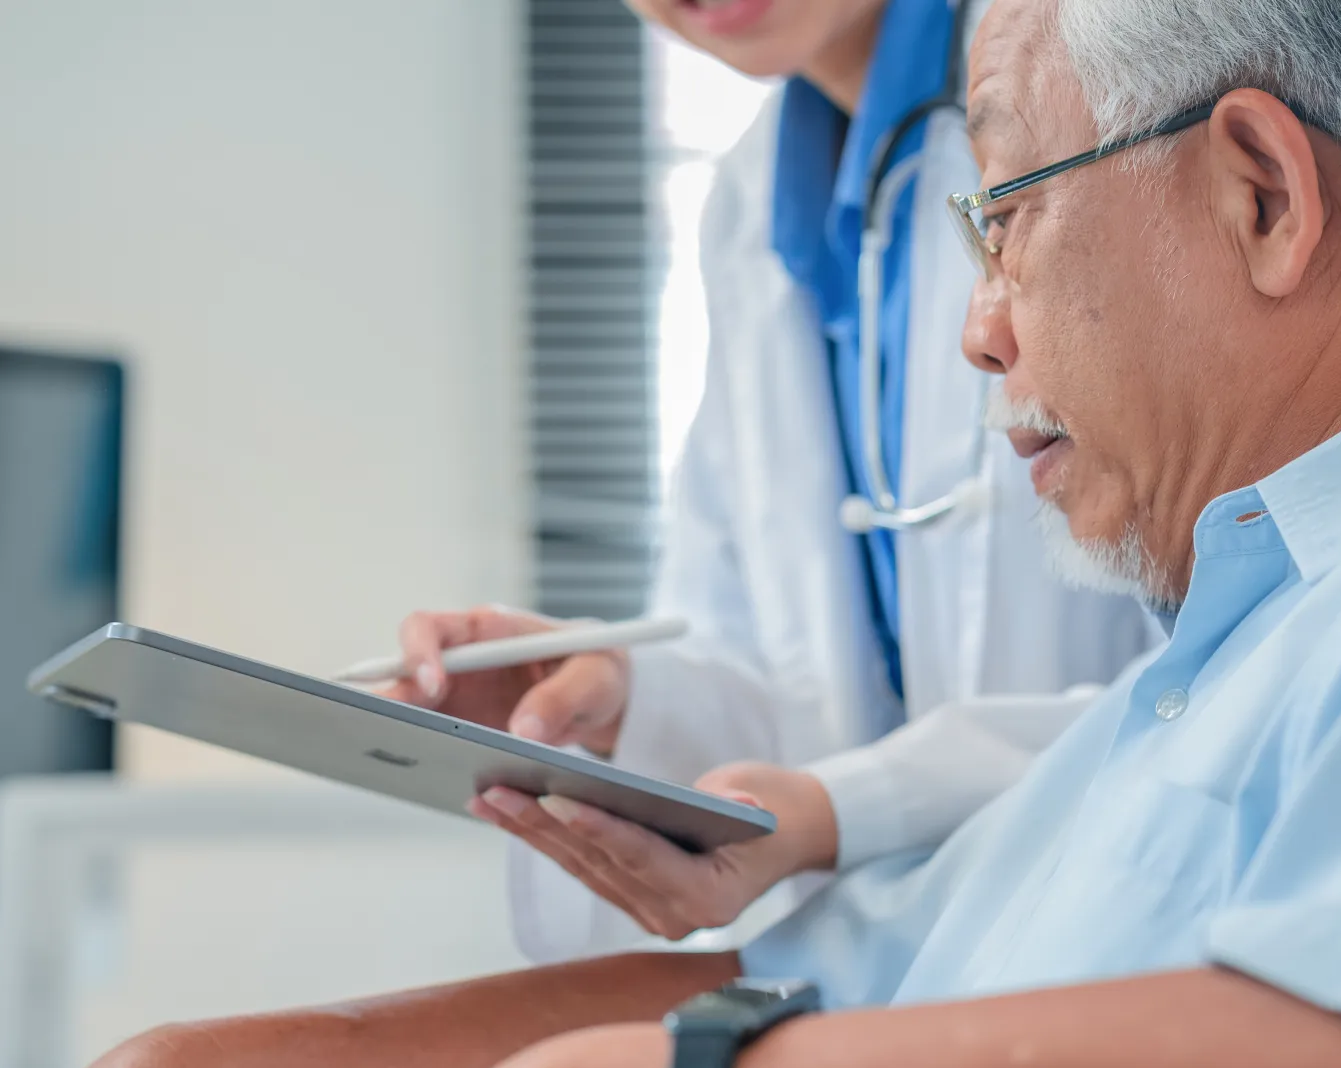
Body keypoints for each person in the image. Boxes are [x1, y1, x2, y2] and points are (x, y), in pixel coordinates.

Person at [0, 0, 1341, 1068]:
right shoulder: (1223, 652)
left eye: (1006, 213)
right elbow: (812, 985)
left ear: (1263, 199)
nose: (979, 335)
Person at [389, 0, 1154, 963]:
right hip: (915, 961)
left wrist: (843, 806)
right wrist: (622, 699)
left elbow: (1244, 662)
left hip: (1136, 935)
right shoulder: (752, 204)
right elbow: (809, 689)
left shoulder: (1119, 77)